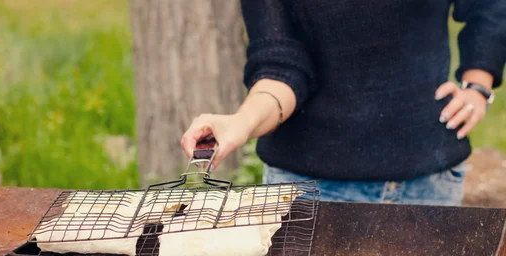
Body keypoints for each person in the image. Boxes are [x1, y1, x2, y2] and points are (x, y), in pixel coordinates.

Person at [180, 0, 506, 206]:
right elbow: (280, 67)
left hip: (428, 184)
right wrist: (240, 122)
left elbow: (488, 8)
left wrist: (478, 84)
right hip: (307, 190)